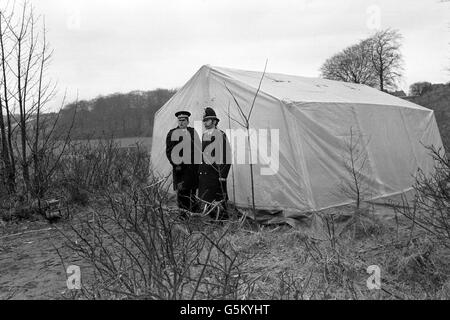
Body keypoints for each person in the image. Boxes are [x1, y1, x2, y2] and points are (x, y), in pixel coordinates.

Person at [198, 107, 232, 216]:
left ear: (214, 121)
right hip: (205, 174)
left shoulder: (220, 134)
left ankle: (222, 222)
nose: (205, 123)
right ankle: (212, 221)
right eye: (204, 120)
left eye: (207, 120)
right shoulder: (204, 135)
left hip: (215, 174)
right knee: (208, 200)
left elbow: (227, 156)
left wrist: (222, 175)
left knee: (219, 200)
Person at [165, 110, 199, 212]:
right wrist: (177, 165)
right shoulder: (172, 133)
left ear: (188, 122)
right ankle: (183, 215)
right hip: (180, 170)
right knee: (182, 192)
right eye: (179, 120)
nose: (181, 122)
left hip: (192, 169)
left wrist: (197, 165)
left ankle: (193, 213)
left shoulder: (193, 132)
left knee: (192, 192)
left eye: (183, 120)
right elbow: (169, 151)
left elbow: (198, 149)